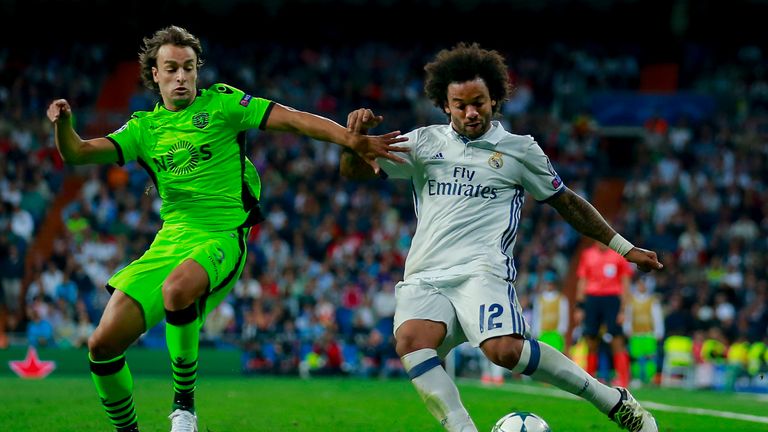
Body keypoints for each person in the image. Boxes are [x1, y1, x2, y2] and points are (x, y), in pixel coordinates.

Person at [46, 25, 407, 432]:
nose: (181, 76)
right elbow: (76, 153)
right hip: (170, 241)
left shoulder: (222, 104)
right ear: (155, 75)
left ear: (197, 70)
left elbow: (292, 120)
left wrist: (348, 139)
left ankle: (184, 409)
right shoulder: (143, 129)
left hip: (222, 236)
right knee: (101, 345)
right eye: (171, 69)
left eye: (188, 68)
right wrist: (63, 124)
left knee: (177, 290)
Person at [340, 42, 662, 432]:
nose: (471, 112)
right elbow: (355, 173)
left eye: (479, 102)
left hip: (482, 270)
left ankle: (612, 400)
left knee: (504, 351)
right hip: (427, 273)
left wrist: (624, 248)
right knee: (411, 341)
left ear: (495, 99)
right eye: (460, 105)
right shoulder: (423, 143)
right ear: (445, 105)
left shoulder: (519, 150)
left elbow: (567, 203)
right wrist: (352, 142)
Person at [575, 240, 634, 387]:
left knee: (617, 339)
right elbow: (582, 280)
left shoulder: (618, 256)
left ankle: (623, 380)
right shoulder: (587, 254)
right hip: (592, 299)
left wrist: (623, 309)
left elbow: (625, 282)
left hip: (612, 299)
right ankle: (589, 379)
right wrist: (579, 307)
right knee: (591, 339)